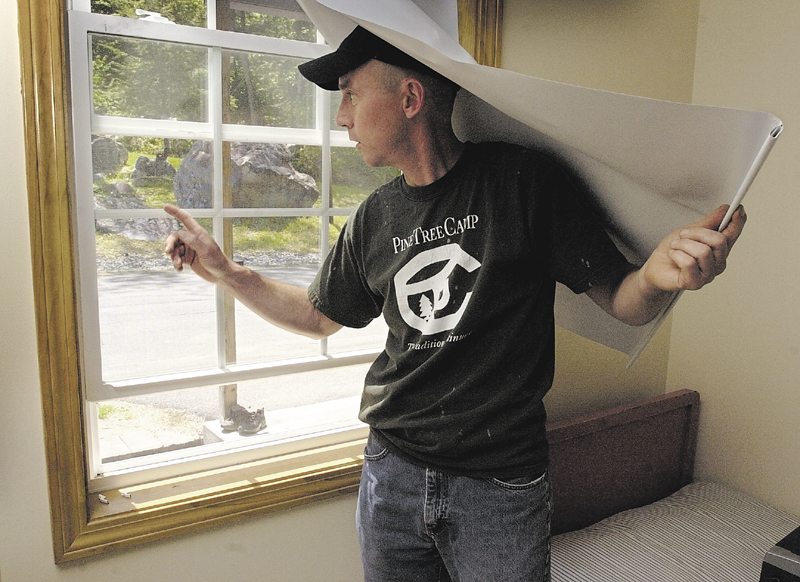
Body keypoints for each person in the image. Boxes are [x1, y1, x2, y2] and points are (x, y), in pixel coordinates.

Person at [164, 26, 746, 582]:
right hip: (391, 472)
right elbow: (319, 315)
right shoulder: (374, 218)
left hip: (501, 488)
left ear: (410, 96)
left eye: (350, 96)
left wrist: (657, 276)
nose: (341, 119)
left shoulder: (523, 183)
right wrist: (227, 272)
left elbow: (625, 303)